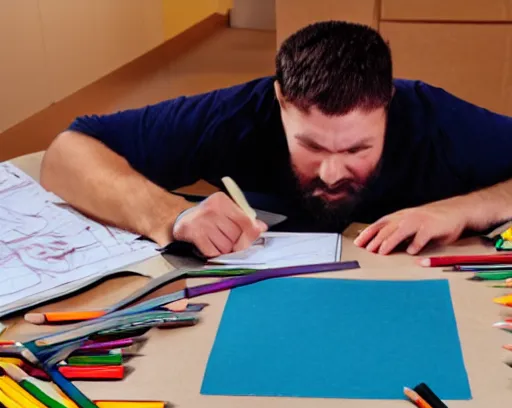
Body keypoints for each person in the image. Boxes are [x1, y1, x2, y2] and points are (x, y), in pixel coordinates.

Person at [41, 20, 512, 258]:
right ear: (280, 100)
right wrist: (173, 215)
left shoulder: (436, 119)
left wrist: (464, 209)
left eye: (356, 149)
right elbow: (66, 153)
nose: (331, 172)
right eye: (311, 146)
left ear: (389, 103)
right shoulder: (239, 114)